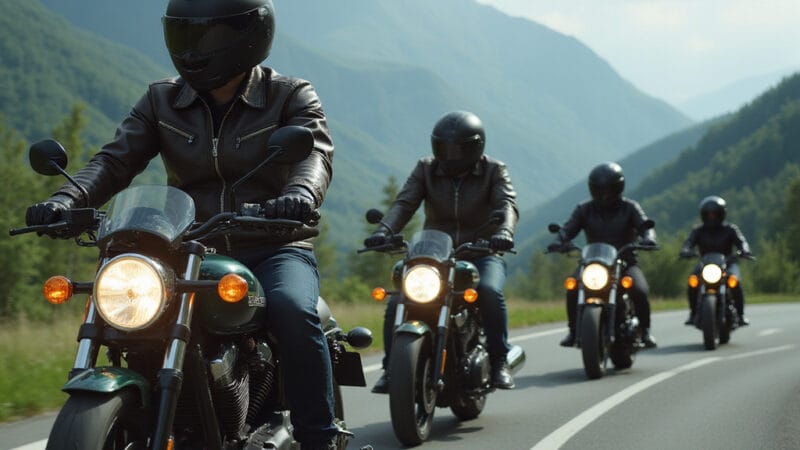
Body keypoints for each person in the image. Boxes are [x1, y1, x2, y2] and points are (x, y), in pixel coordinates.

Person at [24, 1, 338, 448]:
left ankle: (319, 437)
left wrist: (300, 196)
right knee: (131, 315)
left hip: (273, 243)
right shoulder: (161, 100)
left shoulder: (290, 95)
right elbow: (115, 161)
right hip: (187, 247)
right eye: (183, 35)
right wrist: (65, 201)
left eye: (206, 36)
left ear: (247, 36)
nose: (192, 49)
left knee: (292, 309)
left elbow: (314, 155)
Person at [365, 110, 519, 392]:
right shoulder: (426, 169)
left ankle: (500, 361)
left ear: (475, 147)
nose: (449, 155)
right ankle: (391, 369)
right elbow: (404, 203)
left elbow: (506, 204)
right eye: (443, 148)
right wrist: (382, 231)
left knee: (489, 291)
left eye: (456, 149)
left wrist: (504, 233)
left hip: (482, 251)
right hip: (434, 253)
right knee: (399, 298)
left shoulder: (494, 170)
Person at [548, 162, 658, 349]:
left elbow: (644, 225)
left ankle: (645, 331)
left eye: (608, 189)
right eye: (599, 189)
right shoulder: (584, 209)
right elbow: (568, 228)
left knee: (640, 290)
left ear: (618, 187)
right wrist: (559, 240)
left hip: (625, 262)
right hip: (593, 262)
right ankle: (573, 331)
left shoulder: (630, 207)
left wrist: (649, 238)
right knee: (573, 287)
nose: (604, 194)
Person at [680, 195, 753, 325]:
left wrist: (744, 250)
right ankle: (693, 313)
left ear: (721, 214)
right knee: (693, 281)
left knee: (734, 281)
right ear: (703, 215)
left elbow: (742, 242)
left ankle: (740, 315)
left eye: (714, 214)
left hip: (727, 264)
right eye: (708, 214)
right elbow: (688, 243)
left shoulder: (731, 229)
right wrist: (685, 251)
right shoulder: (698, 230)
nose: (711, 217)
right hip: (705, 265)